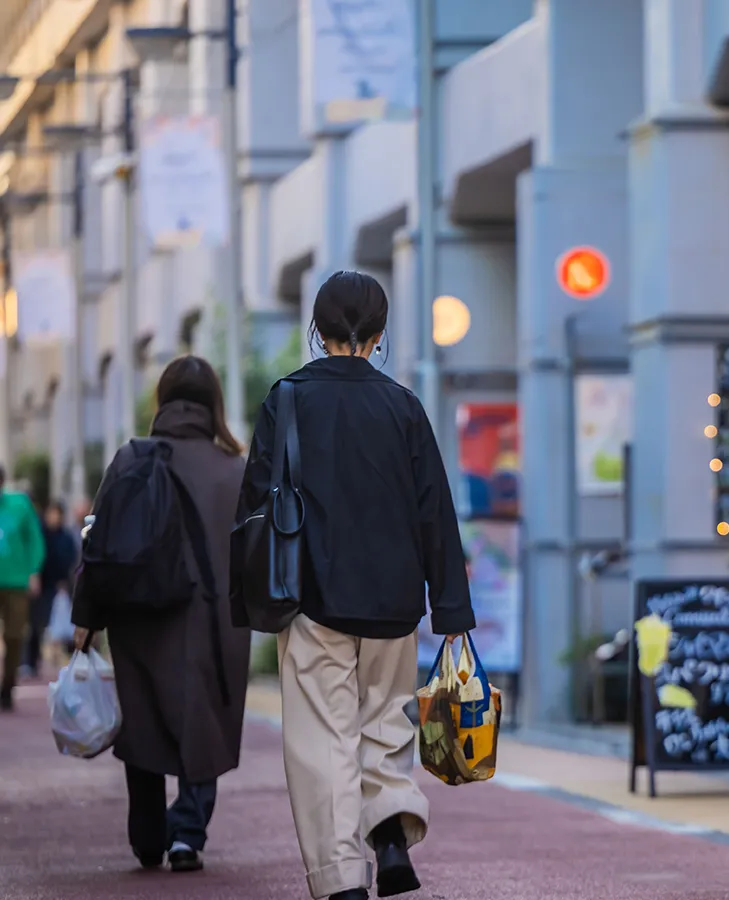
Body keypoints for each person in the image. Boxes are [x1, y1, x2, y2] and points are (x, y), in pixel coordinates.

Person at [237, 271, 474, 900]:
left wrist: (249, 597)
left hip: (313, 595)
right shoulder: (403, 406)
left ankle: (342, 877)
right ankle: (390, 832)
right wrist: (451, 610)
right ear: (379, 333)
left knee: (324, 737)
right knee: (387, 720)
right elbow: (434, 510)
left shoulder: (288, 399)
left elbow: (256, 502)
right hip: (394, 599)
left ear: (318, 331)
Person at [72, 356, 252, 872]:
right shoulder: (234, 470)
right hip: (213, 620)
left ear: (163, 400)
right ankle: (187, 835)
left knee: (144, 722)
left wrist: (87, 617)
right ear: (214, 404)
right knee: (205, 721)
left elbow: (98, 544)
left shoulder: (132, 458)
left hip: (138, 615)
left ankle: (148, 835)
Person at [0, 467, 45, 711]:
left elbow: (35, 539)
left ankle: (7, 687)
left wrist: (34, 571)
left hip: (16, 582)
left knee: (15, 636)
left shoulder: (20, 505)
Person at [21, 500, 79, 678]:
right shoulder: (40, 535)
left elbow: (70, 559)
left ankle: (70, 661)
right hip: (41, 584)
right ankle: (30, 661)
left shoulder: (66, 538)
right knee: (36, 624)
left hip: (58, 585)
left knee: (62, 625)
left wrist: (65, 580)